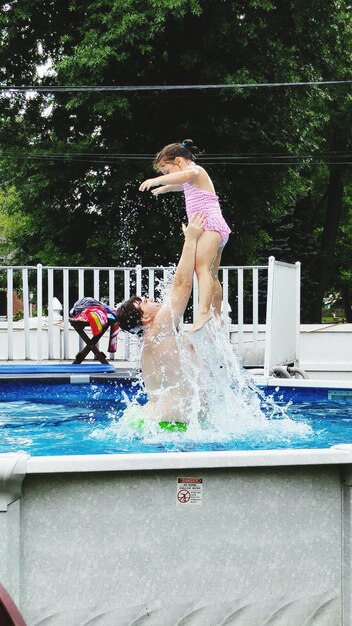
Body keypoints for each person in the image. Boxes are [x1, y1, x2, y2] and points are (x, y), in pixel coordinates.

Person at [116, 213, 206, 425]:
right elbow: (182, 284)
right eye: (143, 302)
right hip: (173, 425)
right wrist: (190, 239)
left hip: (151, 420)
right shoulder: (159, 326)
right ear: (145, 318)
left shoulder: (151, 339)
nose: (149, 298)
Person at [139, 139, 231, 331]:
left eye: (166, 171)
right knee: (211, 274)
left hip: (210, 226)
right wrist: (165, 188)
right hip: (214, 228)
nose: (166, 175)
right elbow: (182, 184)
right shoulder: (191, 178)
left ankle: (204, 312)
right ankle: (217, 313)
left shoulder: (195, 170)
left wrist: (157, 180)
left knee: (201, 268)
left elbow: (185, 177)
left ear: (178, 161)